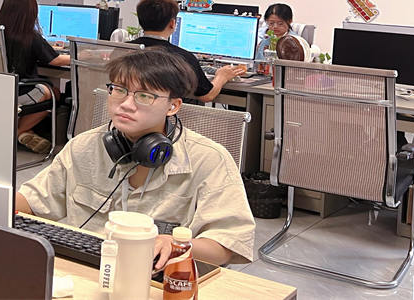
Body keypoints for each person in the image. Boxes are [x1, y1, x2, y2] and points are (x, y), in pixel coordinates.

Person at [16, 49, 255, 267]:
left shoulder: (209, 159)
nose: (126, 104)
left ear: (173, 106)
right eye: (119, 90)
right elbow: (33, 201)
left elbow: (227, 245)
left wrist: (178, 244)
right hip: (84, 272)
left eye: (144, 96)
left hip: (158, 280)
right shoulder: (85, 146)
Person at [0, 0, 71, 155]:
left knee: (48, 88)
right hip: (18, 89)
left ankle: (25, 132)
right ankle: (17, 133)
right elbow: (55, 60)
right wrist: (80, 55)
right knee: (54, 94)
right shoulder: (29, 36)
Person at [130, 0, 246, 102]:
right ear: (172, 23)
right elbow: (207, 95)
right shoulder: (182, 57)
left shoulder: (125, 49)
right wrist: (222, 76)